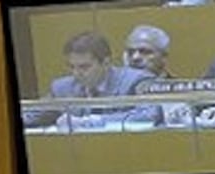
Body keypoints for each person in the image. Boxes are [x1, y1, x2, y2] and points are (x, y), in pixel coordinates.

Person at [22, 31, 159, 129]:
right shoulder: (62, 87)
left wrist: (93, 121)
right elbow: (32, 115)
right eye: (71, 67)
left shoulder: (136, 80)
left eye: (84, 67)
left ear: (106, 63)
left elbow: (150, 115)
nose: (76, 73)